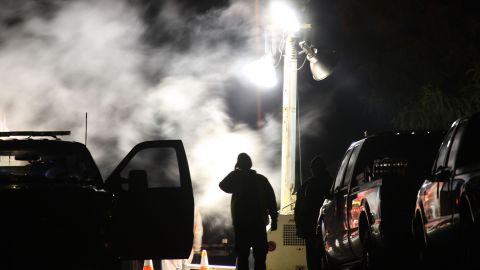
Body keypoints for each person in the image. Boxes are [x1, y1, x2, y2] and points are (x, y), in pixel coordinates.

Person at [219, 153, 278, 270]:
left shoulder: (237, 178)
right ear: (250, 164)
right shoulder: (261, 180)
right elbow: (271, 201)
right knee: (260, 257)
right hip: (259, 224)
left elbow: (222, 185)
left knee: (242, 256)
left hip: (242, 225)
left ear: (239, 164)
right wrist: (274, 220)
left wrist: (235, 172)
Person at [294, 156, 333, 270]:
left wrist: (299, 226)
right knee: (327, 257)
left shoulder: (306, 186)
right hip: (328, 227)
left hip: (311, 228)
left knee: (312, 259)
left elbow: (299, 209)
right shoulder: (331, 182)